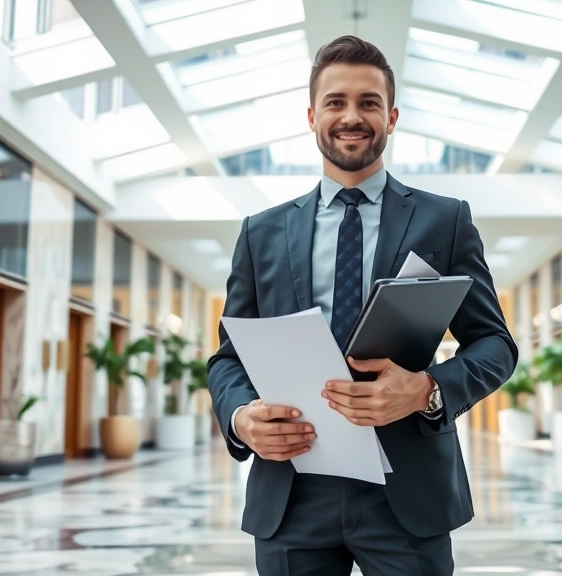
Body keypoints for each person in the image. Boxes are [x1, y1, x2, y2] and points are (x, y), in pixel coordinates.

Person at [207, 34, 518, 576]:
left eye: (368, 102)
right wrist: (241, 418)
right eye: (336, 102)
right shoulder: (261, 233)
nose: (352, 116)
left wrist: (429, 389)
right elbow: (229, 358)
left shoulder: (445, 222)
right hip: (291, 491)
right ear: (311, 115)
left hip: (409, 492)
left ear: (391, 117)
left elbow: (496, 345)